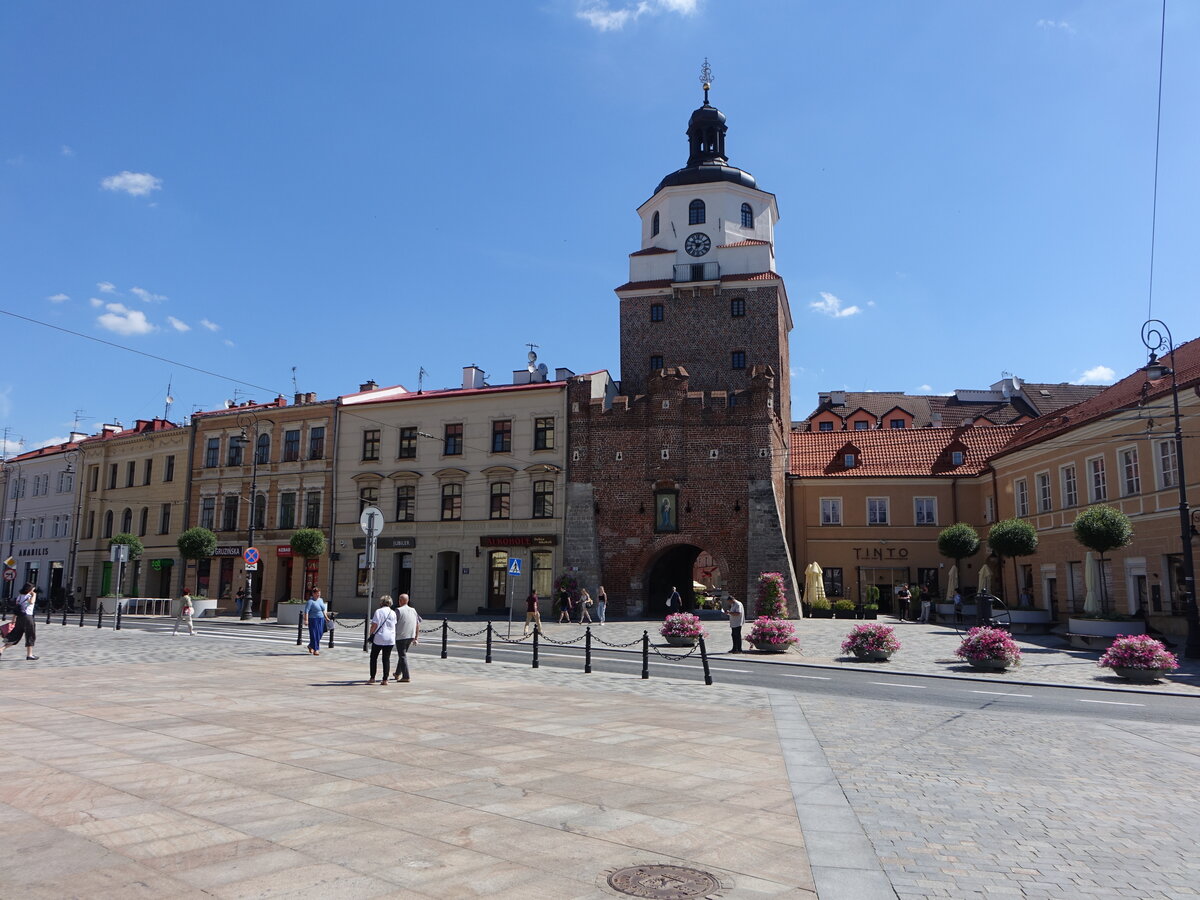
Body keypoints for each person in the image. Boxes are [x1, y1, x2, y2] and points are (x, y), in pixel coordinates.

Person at [1, 583, 39, 660]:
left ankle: (1, 649)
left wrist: (13, 619)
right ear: (30, 589)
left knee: (16, 635)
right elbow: (31, 602)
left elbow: (17, 608)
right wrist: (34, 594)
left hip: (19, 617)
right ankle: (29, 654)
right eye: (33, 589)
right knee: (30, 635)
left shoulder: (19, 597)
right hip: (28, 617)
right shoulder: (30, 596)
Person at [367, 595, 396, 685]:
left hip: (379, 637)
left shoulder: (378, 611)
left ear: (381, 603)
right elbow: (394, 624)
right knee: (386, 659)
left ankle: (372, 678)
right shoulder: (393, 612)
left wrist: (370, 633)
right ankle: (385, 679)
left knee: (373, 657)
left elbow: (374, 625)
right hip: (390, 638)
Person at [392, 593, 420, 683]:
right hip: (410, 636)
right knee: (402, 654)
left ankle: (406, 676)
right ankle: (397, 673)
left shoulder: (398, 610)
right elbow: (417, 624)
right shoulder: (413, 610)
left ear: (400, 601)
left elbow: (393, 623)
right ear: (408, 601)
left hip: (401, 636)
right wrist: (416, 637)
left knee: (402, 655)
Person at [303, 587, 327, 655]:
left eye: (319, 593)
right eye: (317, 594)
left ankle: (310, 645)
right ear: (313, 594)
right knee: (314, 635)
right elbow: (306, 611)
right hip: (313, 619)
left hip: (321, 619)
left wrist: (326, 618)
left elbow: (323, 610)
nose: (318, 595)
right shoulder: (310, 601)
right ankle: (316, 649)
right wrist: (306, 620)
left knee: (320, 634)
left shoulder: (321, 600)